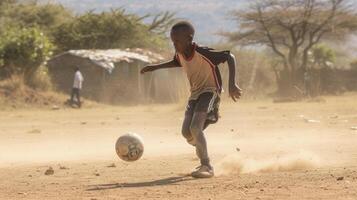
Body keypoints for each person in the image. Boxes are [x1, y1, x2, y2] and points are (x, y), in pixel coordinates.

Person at [140, 21, 242, 178]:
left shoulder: (203, 52)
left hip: (210, 91)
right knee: (186, 133)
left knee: (195, 128)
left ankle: (206, 166)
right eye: (173, 42)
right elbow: (176, 62)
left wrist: (232, 83)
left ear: (189, 38)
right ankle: (202, 141)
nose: (175, 45)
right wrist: (154, 67)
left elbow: (229, 56)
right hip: (194, 94)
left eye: (178, 42)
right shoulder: (180, 54)